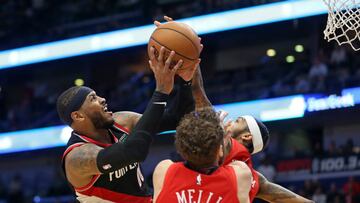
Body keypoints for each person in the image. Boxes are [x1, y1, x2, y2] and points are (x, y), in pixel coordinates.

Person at [58, 47, 200, 202]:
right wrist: (161, 92)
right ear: (78, 116)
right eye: (93, 99)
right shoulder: (77, 158)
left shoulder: (122, 121)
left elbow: (178, 118)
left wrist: (185, 80)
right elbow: (134, 151)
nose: (102, 99)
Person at [153, 108, 252, 203]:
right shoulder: (239, 174)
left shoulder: (164, 170)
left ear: (181, 149)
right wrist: (222, 139)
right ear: (220, 150)